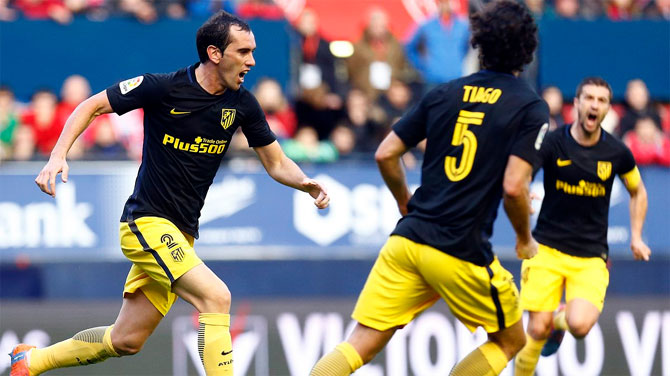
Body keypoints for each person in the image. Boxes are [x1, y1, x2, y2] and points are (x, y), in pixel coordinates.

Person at [10, 10, 329, 376]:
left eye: (252, 51)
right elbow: (92, 105)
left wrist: (305, 182)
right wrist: (57, 156)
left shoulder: (243, 105)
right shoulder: (162, 87)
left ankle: (32, 361)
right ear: (214, 53)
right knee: (216, 297)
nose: (252, 61)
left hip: (182, 235)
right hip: (145, 224)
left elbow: (275, 162)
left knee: (126, 339)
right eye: (243, 52)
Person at [310, 1, 548, 375]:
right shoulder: (530, 107)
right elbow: (515, 187)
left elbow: (386, 153)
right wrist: (524, 239)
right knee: (510, 340)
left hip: (408, 240)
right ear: (528, 49)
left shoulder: (444, 93)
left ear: (478, 44)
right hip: (459, 247)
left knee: (359, 344)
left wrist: (406, 202)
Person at [513, 77, 651, 376]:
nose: (594, 105)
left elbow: (638, 191)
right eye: (589, 98)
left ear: (607, 110)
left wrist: (636, 236)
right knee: (537, 327)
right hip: (546, 248)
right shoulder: (552, 142)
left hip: (590, 256)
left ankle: (560, 321)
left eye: (601, 100)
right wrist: (526, 191)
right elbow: (520, 175)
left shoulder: (616, 153)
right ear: (576, 104)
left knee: (579, 326)